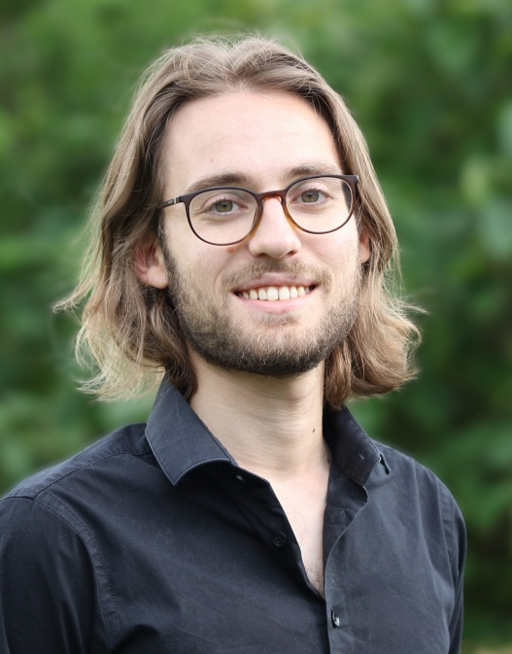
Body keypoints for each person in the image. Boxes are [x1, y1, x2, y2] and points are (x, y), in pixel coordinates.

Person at [0, 35, 465, 653]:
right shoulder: (54, 536)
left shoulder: (427, 514)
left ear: (363, 235)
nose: (276, 238)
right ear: (149, 254)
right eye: (222, 204)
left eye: (312, 194)